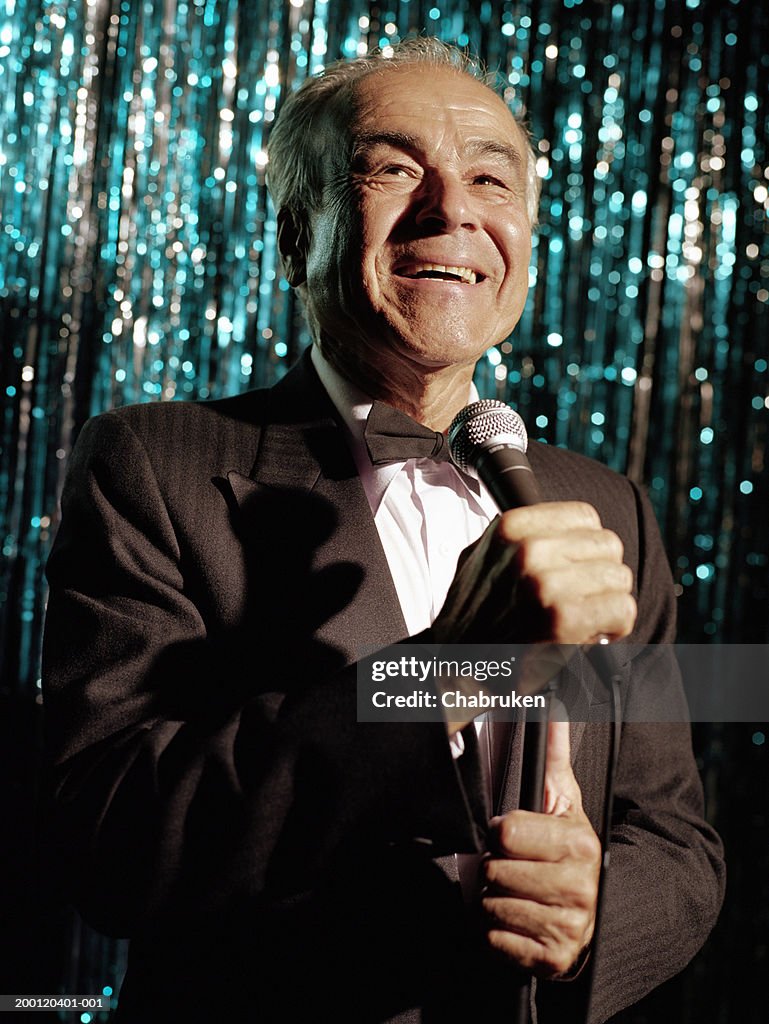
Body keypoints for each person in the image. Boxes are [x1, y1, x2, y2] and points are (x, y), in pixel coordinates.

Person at [42, 38, 724, 1023]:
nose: (453, 209)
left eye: (491, 177)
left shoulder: (607, 503)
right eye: (395, 168)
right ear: (293, 235)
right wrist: (449, 666)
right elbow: (106, 845)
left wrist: (591, 921)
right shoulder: (149, 464)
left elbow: (677, 841)